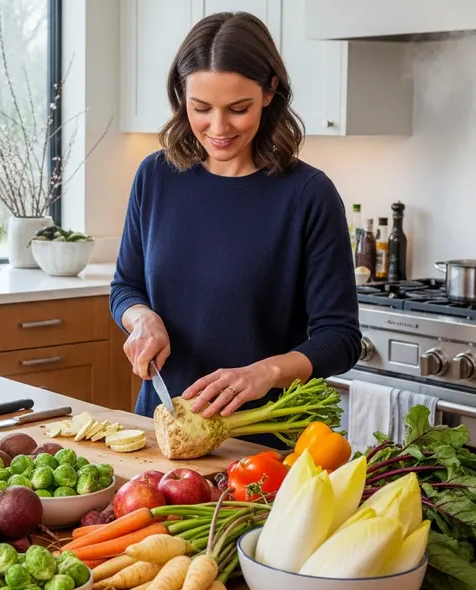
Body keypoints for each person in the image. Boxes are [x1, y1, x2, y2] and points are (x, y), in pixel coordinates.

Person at [108, 11, 361, 449]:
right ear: (181, 96)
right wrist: (142, 319)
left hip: (262, 447)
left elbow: (340, 338)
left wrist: (267, 372)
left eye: (238, 109)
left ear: (269, 92)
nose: (219, 128)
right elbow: (125, 287)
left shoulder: (308, 195)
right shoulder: (156, 176)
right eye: (201, 108)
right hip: (161, 433)